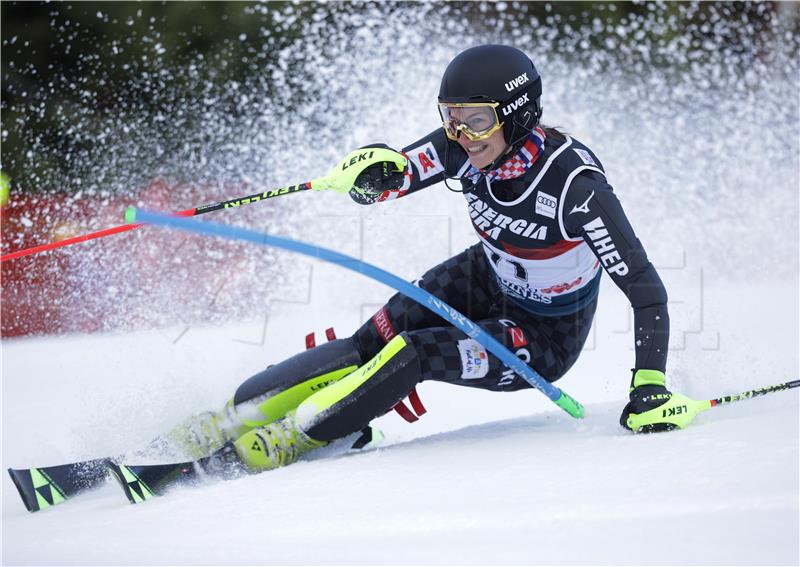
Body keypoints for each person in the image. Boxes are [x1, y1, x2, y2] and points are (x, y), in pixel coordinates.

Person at [167, 44, 682, 471]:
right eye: (451, 119)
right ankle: (231, 417)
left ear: (519, 114)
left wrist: (650, 384)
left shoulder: (575, 186)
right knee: (375, 337)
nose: (461, 136)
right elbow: (398, 174)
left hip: (544, 337)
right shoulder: (467, 146)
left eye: (476, 121)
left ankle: (287, 441)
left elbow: (644, 287)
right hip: (488, 276)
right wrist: (367, 177)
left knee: (414, 353)